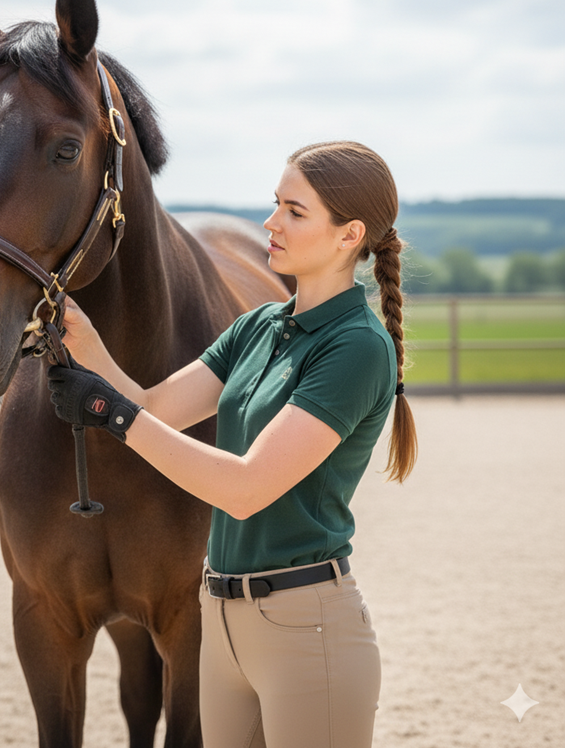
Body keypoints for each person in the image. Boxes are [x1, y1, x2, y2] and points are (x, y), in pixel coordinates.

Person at [47, 140, 418, 748]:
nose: (271, 222)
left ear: (350, 235)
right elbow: (155, 408)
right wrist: (85, 343)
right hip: (220, 621)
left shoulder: (355, 346)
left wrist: (110, 414)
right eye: (276, 204)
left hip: (306, 626)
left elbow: (246, 488)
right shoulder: (258, 327)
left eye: (295, 211)